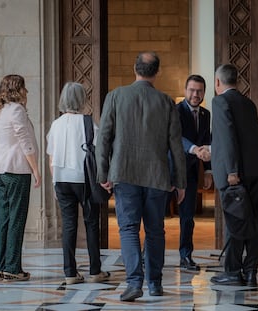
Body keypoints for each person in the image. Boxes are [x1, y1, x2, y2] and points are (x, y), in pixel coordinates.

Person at [96, 51, 187, 302]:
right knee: (156, 230)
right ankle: (155, 283)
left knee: (128, 229)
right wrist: (181, 182)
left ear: (134, 69)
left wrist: (103, 173)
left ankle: (134, 282)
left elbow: (102, 139)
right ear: (158, 73)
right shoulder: (166, 102)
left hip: (124, 174)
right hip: (158, 176)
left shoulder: (115, 96)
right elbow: (176, 145)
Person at [210, 64, 258, 287]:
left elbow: (227, 137)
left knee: (236, 222)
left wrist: (231, 171)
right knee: (255, 222)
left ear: (217, 82)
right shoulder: (248, 103)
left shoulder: (220, 101)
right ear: (236, 81)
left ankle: (232, 272)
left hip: (237, 174)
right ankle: (250, 273)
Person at [46, 82, 110, 285]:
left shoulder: (56, 124)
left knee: (69, 225)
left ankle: (70, 273)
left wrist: (55, 182)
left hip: (62, 179)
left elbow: (51, 157)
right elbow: (100, 153)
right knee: (91, 223)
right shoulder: (88, 123)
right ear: (83, 99)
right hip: (84, 180)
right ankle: (94, 271)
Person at [0, 74, 41, 282]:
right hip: (16, 170)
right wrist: (36, 169)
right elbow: (24, 141)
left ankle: (1, 266)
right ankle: (13, 268)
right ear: (18, 89)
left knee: (4, 219)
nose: (26, 91)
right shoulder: (17, 110)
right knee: (16, 219)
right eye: (24, 87)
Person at [176, 75, 212, 271]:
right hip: (171, 171)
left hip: (190, 172)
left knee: (188, 216)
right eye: (191, 90)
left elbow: (207, 139)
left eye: (199, 91)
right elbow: (176, 137)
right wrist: (195, 149)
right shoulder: (175, 111)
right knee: (155, 216)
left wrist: (208, 170)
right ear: (185, 90)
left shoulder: (206, 114)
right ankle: (147, 255)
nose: (195, 94)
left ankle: (186, 256)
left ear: (204, 93)